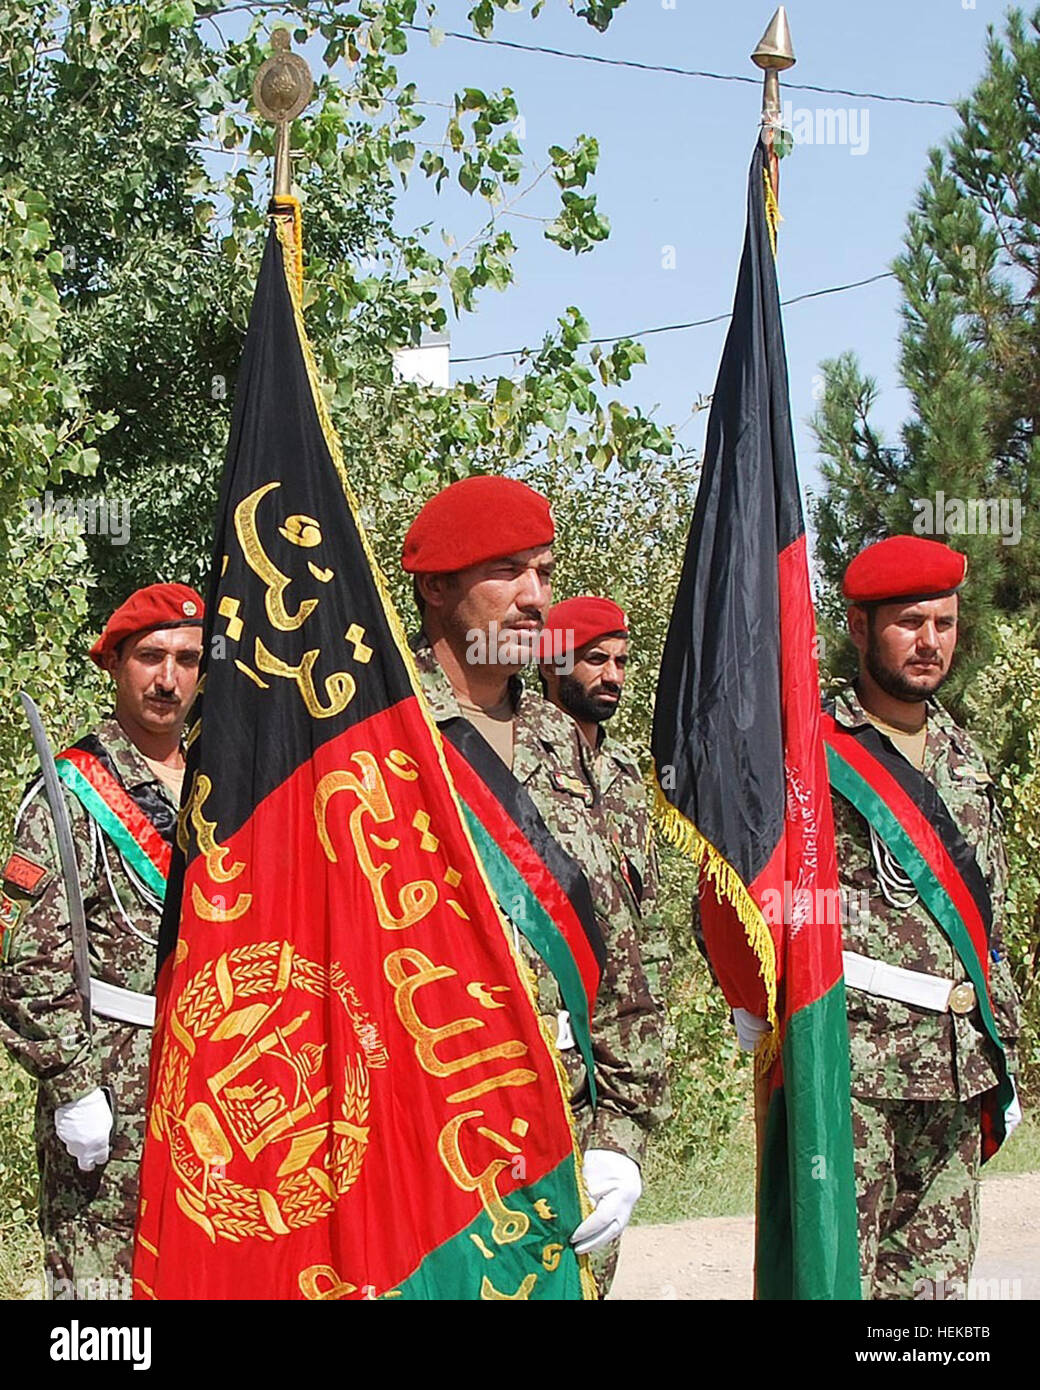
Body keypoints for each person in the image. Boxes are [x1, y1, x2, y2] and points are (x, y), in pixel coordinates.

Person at [401, 477, 666, 1289]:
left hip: (565, 1126)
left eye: (544, 573)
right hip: (421, 1140)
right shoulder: (379, 731)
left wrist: (622, 1135)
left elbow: (629, 957)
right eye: (506, 571)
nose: (533, 597)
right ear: (436, 585)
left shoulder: (565, 743)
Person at [825, 536, 1021, 1300]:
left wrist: (1002, 1049)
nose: (930, 642)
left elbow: (989, 919)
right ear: (858, 627)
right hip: (852, 1069)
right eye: (909, 622)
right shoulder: (811, 751)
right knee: (840, 1282)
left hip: (955, 1066)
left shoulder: (963, 756)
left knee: (934, 1300)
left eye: (943, 622)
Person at [0, 582, 204, 1299]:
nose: (167, 677)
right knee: (104, 1303)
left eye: (186, 658)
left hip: (214, 1080)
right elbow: (24, 961)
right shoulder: (73, 790)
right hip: (114, 1081)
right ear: (115, 665)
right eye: (150, 656)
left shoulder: (224, 786)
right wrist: (71, 1083)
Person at [538, 597, 670, 1005]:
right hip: (559, 1009)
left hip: (633, 1015)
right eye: (596, 659)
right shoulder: (520, 756)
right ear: (550, 665)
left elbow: (648, 899)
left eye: (621, 662)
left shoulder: (624, 769)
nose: (613, 676)